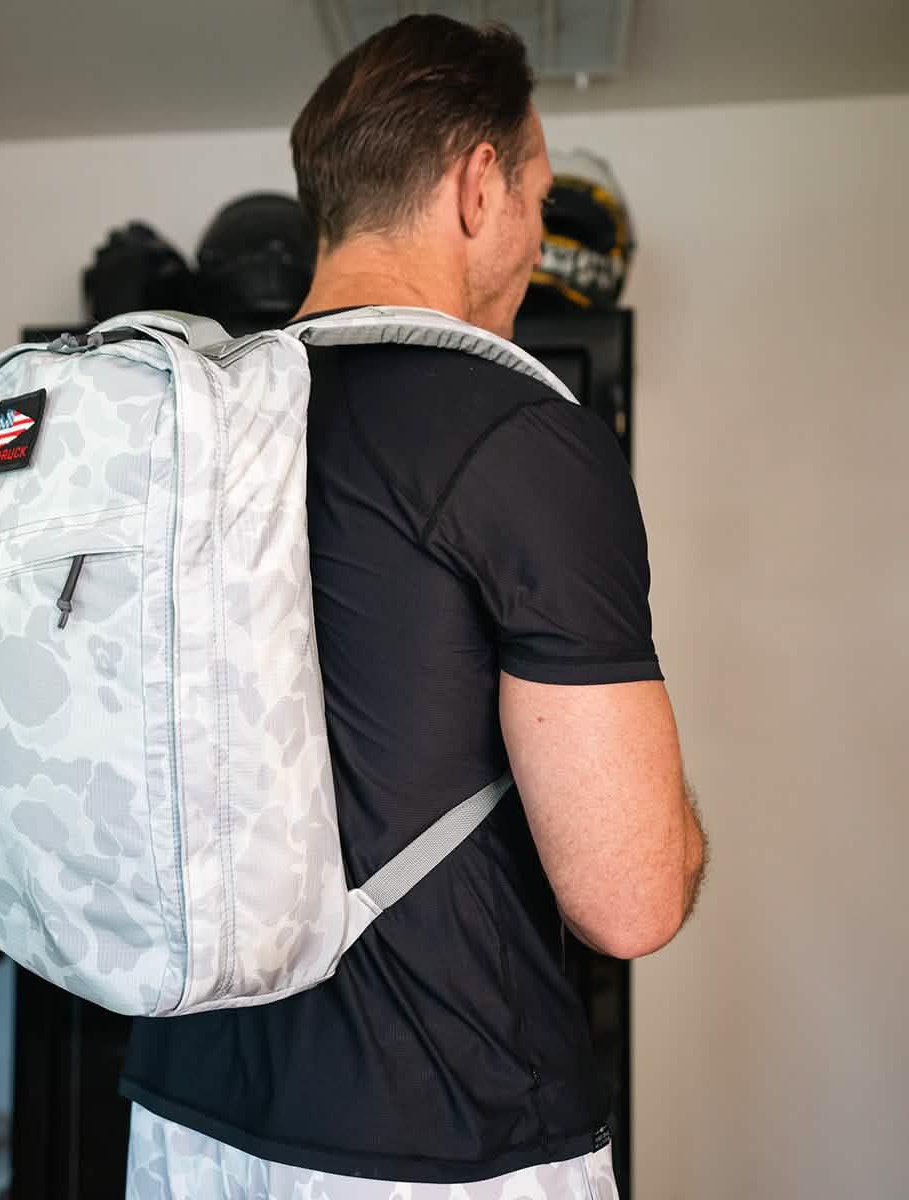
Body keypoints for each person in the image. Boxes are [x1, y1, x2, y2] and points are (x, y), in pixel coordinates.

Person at [120, 15, 706, 1199]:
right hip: (441, 1136)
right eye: (537, 193)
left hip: (183, 1111)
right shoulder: (522, 434)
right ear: (479, 184)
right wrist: (685, 832)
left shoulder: (194, 433)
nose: (537, 236)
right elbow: (631, 899)